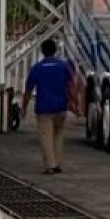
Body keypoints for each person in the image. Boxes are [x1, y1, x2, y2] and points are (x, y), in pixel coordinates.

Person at [22, 39, 73, 174]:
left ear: (42, 51)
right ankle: (57, 163)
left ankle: (50, 165)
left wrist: (24, 108)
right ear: (55, 50)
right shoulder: (63, 66)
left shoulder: (38, 68)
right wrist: (73, 103)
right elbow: (70, 86)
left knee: (46, 137)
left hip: (44, 108)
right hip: (61, 107)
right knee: (58, 135)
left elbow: (28, 90)